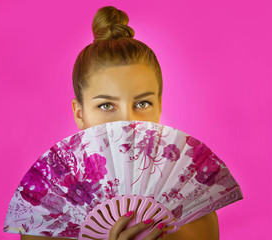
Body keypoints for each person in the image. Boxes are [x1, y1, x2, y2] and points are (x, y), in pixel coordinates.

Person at [21, 5, 219, 240]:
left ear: (159, 106)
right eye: (106, 105)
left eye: (142, 103)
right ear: (79, 114)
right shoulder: (45, 218)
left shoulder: (193, 208)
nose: (128, 122)